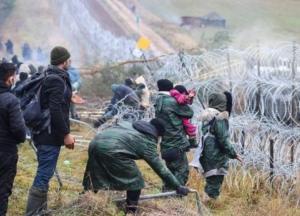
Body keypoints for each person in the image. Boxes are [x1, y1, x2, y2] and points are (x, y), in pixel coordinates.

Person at [83, 119, 190, 213]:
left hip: (94, 143)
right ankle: (131, 211)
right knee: (136, 182)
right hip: (113, 150)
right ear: (158, 134)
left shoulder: (130, 125)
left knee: (94, 173)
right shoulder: (147, 141)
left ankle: (85, 198)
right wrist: (177, 186)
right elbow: (161, 169)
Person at [25, 46, 75, 215]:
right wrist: (66, 134)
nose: (71, 61)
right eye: (69, 59)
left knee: (45, 170)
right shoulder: (56, 79)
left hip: (44, 133)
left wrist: (69, 96)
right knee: (44, 173)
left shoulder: (50, 75)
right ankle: (33, 213)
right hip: (49, 134)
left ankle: (40, 210)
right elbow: (55, 110)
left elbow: (54, 101)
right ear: (64, 61)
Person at [198, 92, 242, 201]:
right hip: (216, 155)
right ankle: (210, 204)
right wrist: (233, 154)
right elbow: (223, 140)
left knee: (211, 179)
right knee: (215, 180)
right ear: (222, 103)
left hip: (207, 152)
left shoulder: (207, 115)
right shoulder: (219, 117)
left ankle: (207, 201)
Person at [154, 79, 194, 190]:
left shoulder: (158, 100)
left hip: (165, 145)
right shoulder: (172, 101)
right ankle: (176, 197)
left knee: (169, 173)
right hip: (177, 144)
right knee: (182, 172)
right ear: (171, 89)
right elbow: (189, 113)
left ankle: (166, 195)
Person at [0, 63, 26, 216]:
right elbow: (19, 130)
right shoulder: (11, 100)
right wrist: (21, 138)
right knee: (2, 190)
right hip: (5, 152)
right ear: (10, 78)